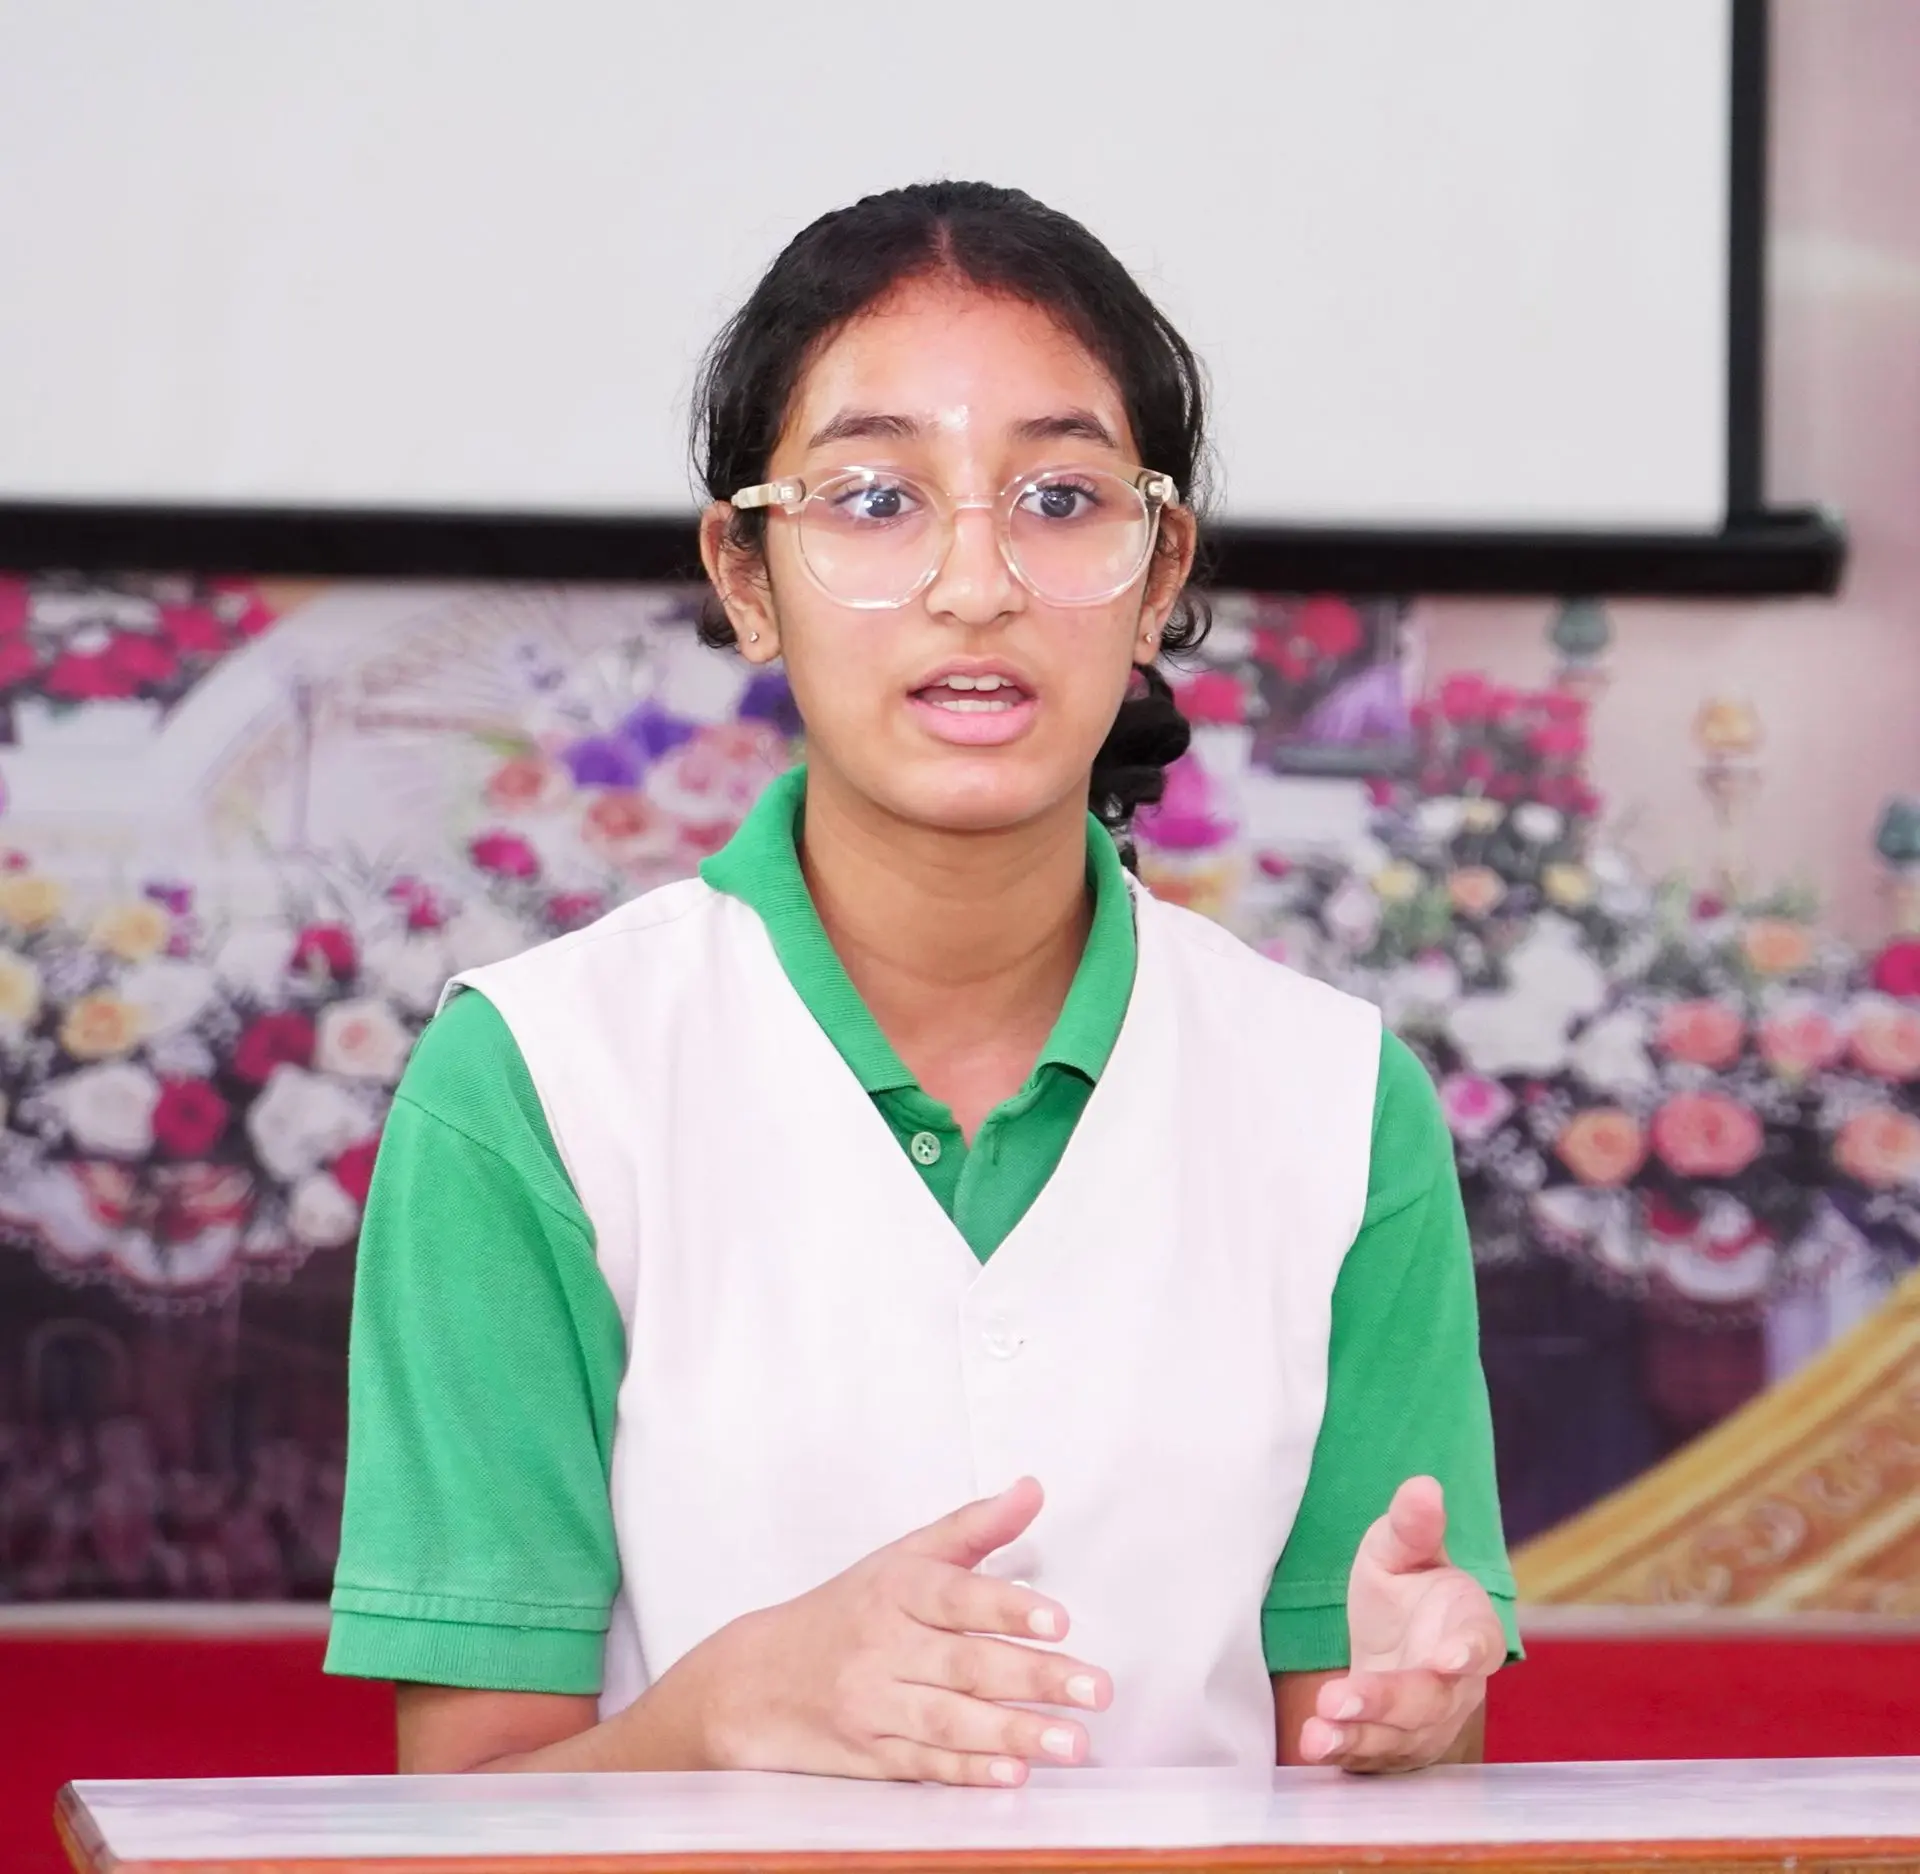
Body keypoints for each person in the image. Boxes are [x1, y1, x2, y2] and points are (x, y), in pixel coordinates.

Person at [325, 181, 1519, 1785]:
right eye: (877, 497)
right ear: (746, 576)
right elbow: (459, 1821)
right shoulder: (536, 1083)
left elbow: (1362, 1760)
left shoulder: (1338, 1102)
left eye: (1062, 496)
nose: (976, 581)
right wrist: (722, 1707)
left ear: (1159, 567)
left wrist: (1418, 1720)